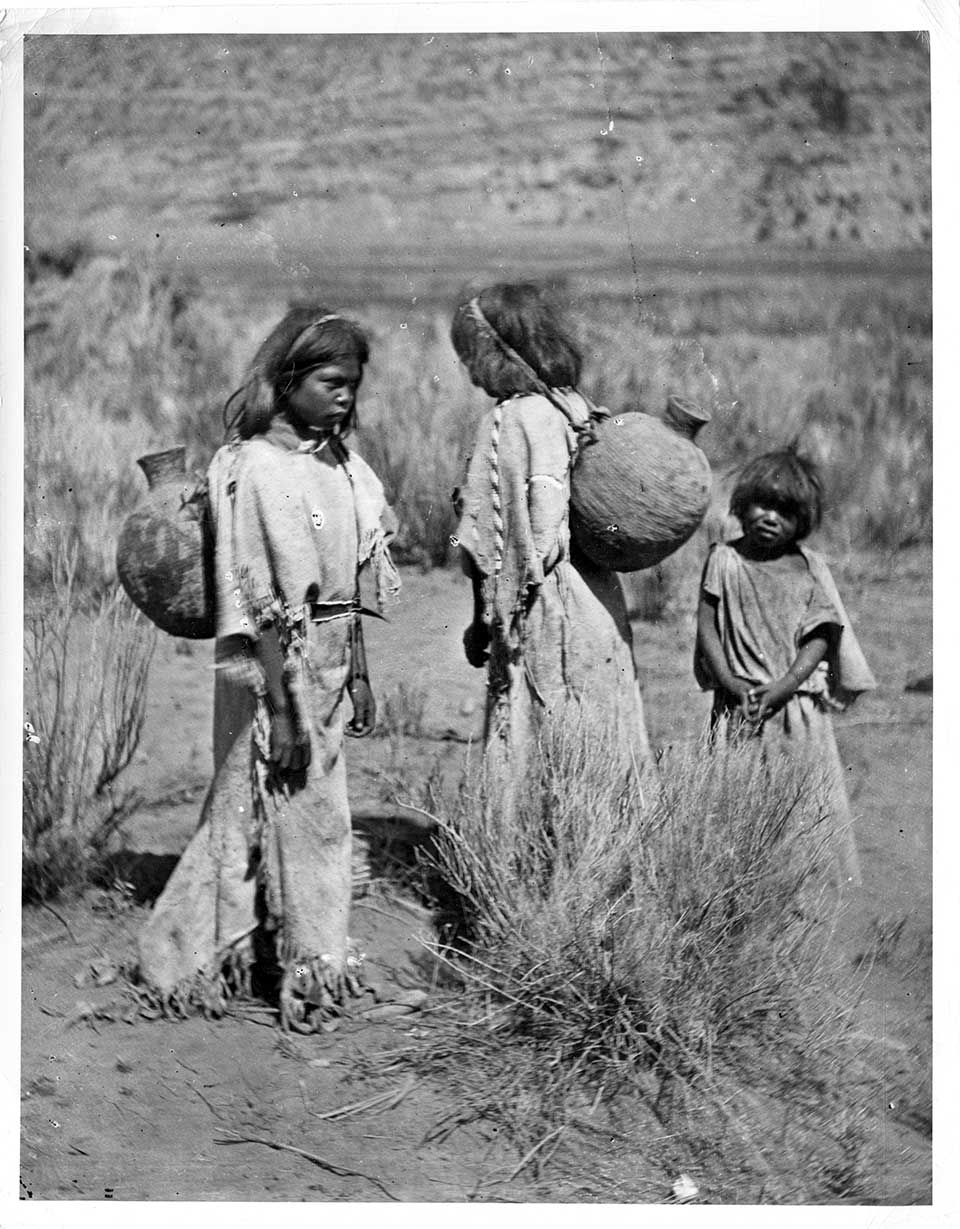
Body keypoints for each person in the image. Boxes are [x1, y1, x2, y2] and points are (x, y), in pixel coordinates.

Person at [137, 306, 400, 1031]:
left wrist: (362, 674)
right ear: (289, 379)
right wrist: (282, 712)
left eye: (353, 383)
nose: (346, 396)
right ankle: (286, 968)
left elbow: (345, 587)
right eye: (330, 381)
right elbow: (256, 599)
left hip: (328, 662)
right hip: (272, 670)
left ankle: (262, 954)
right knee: (284, 811)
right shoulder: (254, 468)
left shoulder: (338, 462)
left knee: (305, 814)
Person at [451, 283, 651, 797]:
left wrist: (491, 621)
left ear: (497, 353)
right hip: (597, 601)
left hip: (543, 606)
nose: (471, 372)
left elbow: (508, 541)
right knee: (596, 731)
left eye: (471, 357)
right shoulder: (574, 407)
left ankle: (537, 868)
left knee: (540, 733)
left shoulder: (510, 420)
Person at [694, 446, 876, 885]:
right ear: (741, 505)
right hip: (737, 708)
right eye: (761, 503)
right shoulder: (724, 560)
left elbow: (819, 637)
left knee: (805, 802)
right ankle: (736, 887)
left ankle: (805, 892)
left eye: (784, 511)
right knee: (734, 804)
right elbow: (707, 627)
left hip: (795, 709)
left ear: (803, 520)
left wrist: (784, 685)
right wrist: (729, 681)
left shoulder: (809, 568)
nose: (769, 517)